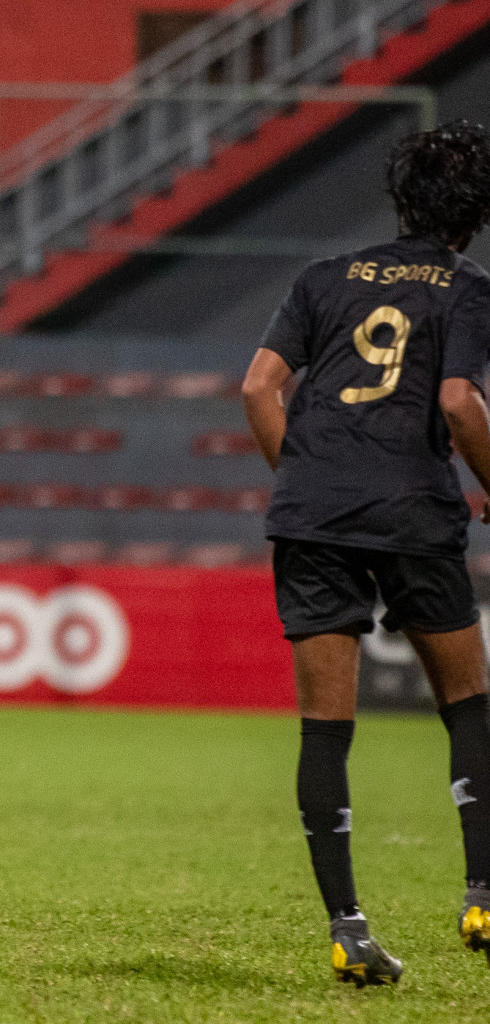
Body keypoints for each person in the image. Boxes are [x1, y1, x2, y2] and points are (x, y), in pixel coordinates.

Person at [242, 121, 490, 986]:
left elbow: (258, 386)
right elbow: (459, 403)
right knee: (467, 702)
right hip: (414, 510)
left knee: (326, 728)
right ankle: (484, 894)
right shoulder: (465, 288)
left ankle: (349, 931)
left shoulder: (322, 279)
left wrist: (310, 480)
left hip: (313, 517)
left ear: (399, 198)